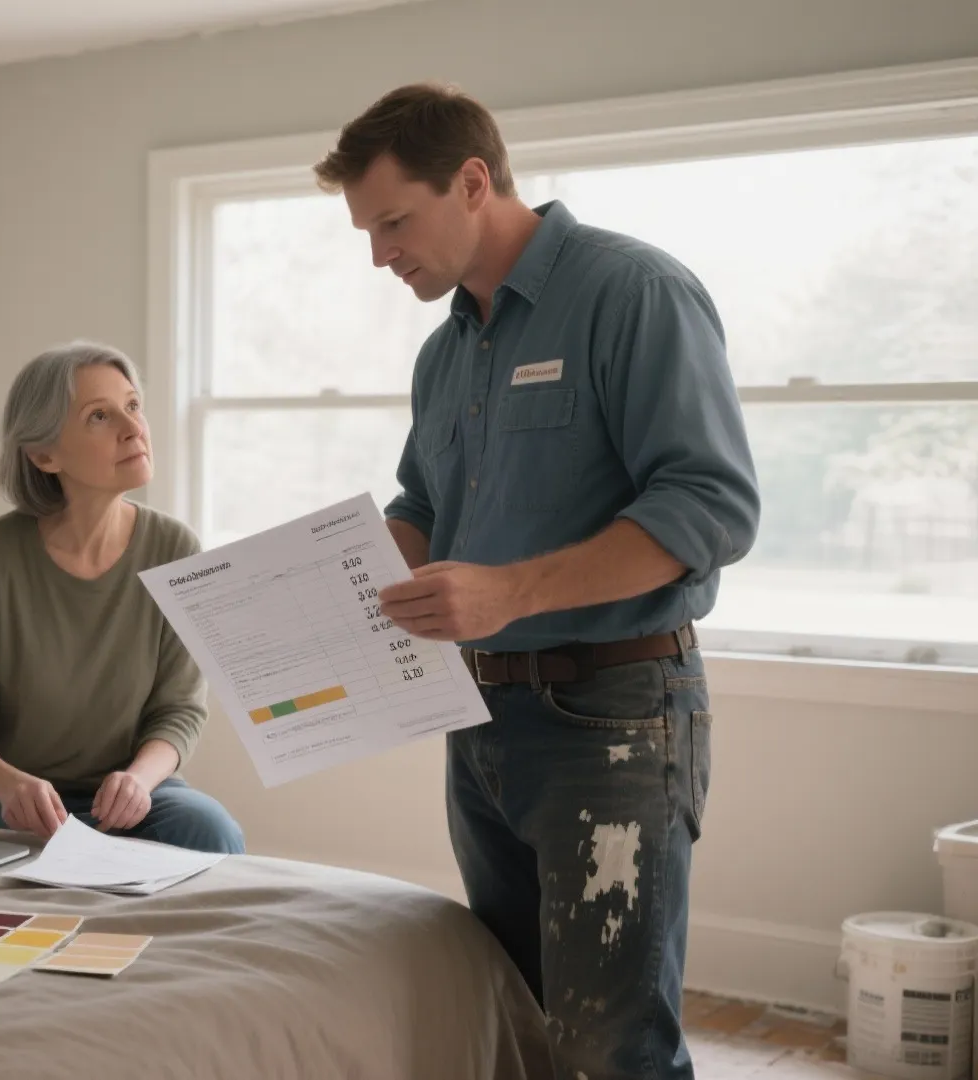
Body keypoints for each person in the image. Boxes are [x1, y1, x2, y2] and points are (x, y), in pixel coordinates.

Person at [313, 83, 760, 1079]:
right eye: (367, 230)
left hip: (612, 719)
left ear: (473, 182)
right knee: (517, 1013)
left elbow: (710, 507)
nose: (380, 254)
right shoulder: (446, 353)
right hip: (481, 724)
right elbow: (425, 503)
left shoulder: (632, 292)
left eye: (393, 221)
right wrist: (348, 567)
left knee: (612, 1045)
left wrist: (511, 592)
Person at [0, 341, 245, 855]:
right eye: (99, 416)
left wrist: (137, 781)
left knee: (210, 830)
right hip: (2, 799)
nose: (133, 427)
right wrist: (10, 786)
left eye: (133, 406)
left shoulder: (176, 549)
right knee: (26, 857)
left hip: (130, 795)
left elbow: (179, 711)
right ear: (44, 454)